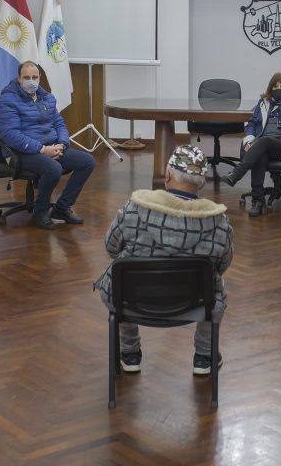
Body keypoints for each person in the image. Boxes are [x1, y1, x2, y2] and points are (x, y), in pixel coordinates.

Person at [95, 145, 233, 375]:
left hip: (131, 300)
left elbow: (111, 247)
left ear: (168, 174)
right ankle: (204, 356)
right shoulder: (218, 222)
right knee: (214, 288)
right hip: (195, 303)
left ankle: (129, 353)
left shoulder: (133, 210)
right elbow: (222, 264)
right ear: (201, 182)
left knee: (122, 279)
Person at [0, 61, 97, 230]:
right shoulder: (7, 101)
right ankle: (40, 211)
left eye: (34, 77)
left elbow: (59, 124)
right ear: (18, 78)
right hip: (22, 152)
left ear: (40, 78)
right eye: (26, 77)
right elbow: (11, 136)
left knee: (87, 162)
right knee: (53, 168)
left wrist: (62, 144)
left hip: (52, 147)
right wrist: (42, 149)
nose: (31, 81)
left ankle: (62, 208)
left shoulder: (46, 98)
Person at [223, 72, 281, 217]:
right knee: (260, 154)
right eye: (275, 86)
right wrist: (249, 141)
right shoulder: (264, 102)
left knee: (264, 141)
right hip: (261, 144)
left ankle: (238, 172)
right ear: (270, 87)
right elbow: (252, 123)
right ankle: (258, 200)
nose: (278, 89)